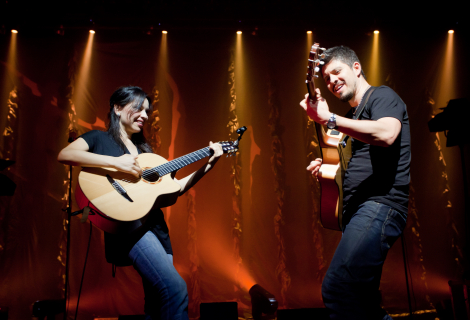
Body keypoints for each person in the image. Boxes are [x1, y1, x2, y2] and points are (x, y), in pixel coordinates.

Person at [58, 86, 223, 320]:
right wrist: (117, 164)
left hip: (156, 229)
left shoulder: (147, 154)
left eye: (147, 111)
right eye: (138, 108)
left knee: (156, 303)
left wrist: (209, 164)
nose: (145, 115)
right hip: (129, 229)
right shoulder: (98, 138)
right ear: (117, 108)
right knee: (175, 289)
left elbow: (176, 189)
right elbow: (65, 155)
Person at [300, 46, 411, 319]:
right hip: (359, 212)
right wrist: (328, 167)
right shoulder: (350, 121)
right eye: (326, 78)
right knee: (362, 303)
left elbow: (386, 133)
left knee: (338, 288)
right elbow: (353, 163)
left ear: (357, 68)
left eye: (337, 71)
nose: (331, 81)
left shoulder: (382, 96)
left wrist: (330, 119)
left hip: (380, 206)